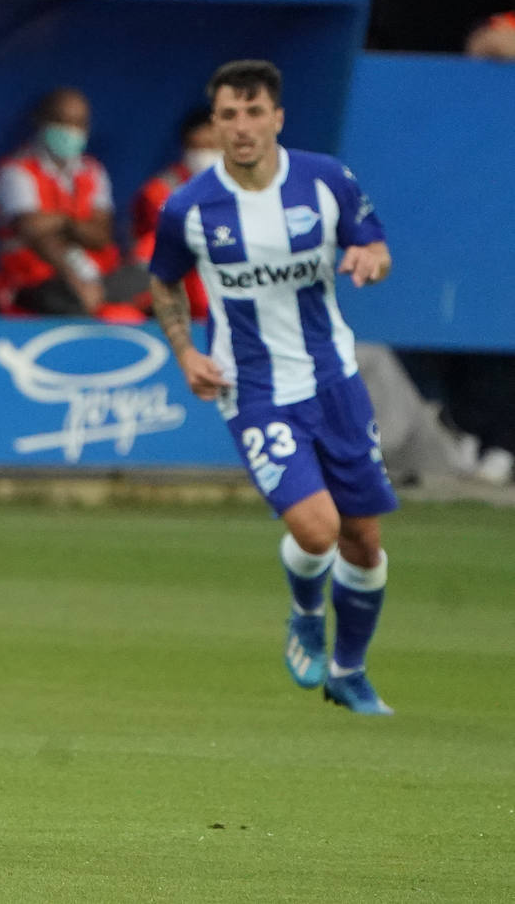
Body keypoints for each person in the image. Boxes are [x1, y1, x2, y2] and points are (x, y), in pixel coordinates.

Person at [147, 60, 399, 715]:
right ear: (215, 123)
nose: (241, 127)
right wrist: (184, 354)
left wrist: (370, 260)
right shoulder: (190, 207)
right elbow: (164, 281)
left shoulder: (326, 181)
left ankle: (348, 671)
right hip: (252, 386)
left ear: (277, 118)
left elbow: (374, 246)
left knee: (364, 541)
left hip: (333, 379)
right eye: (228, 114)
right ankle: (306, 614)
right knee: (318, 530)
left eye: (254, 112)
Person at [0, 87, 135, 317]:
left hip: (97, 276)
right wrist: (75, 275)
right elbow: (32, 232)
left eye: (79, 123)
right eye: (62, 121)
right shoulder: (15, 172)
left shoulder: (93, 172)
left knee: (153, 281)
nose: (71, 131)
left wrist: (62, 222)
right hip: (34, 279)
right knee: (70, 303)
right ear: (42, 121)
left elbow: (101, 235)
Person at [129, 107, 218, 321]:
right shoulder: (161, 187)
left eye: (214, 146)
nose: (207, 153)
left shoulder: (237, 186)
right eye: (200, 147)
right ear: (185, 146)